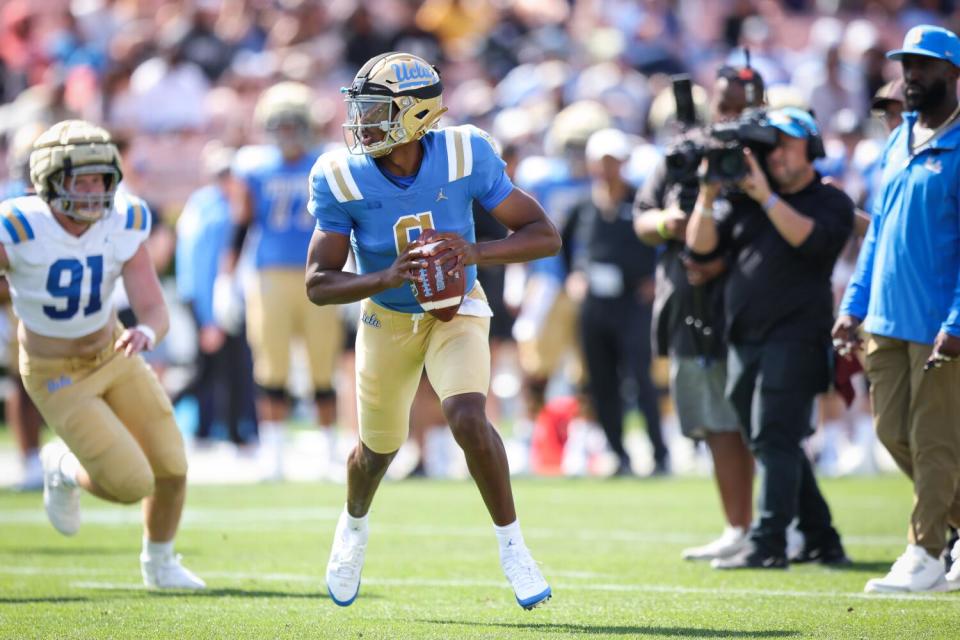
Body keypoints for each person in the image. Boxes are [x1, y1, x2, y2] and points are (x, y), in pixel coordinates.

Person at [306, 52, 559, 609]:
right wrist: (385, 275)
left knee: (467, 416)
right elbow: (318, 283)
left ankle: (513, 545)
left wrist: (474, 251)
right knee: (376, 452)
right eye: (362, 110)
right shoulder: (340, 174)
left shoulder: (466, 151)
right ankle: (352, 527)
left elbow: (545, 234)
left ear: (415, 115)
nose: (362, 122)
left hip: (459, 304)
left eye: (375, 111)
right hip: (386, 315)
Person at [2, 120, 203, 588]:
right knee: (130, 483)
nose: (94, 191)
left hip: (112, 351)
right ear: (49, 182)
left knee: (172, 465)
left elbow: (152, 304)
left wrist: (148, 330)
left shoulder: (125, 219)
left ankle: (160, 562)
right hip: (55, 370)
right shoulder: (17, 226)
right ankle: (63, 466)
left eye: (101, 179)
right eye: (81, 180)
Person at [687, 107, 853, 570]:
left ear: (811, 146)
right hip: (744, 336)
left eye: (787, 144)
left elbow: (814, 243)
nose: (776, 155)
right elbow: (700, 249)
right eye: (771, 144)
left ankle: (769, 544)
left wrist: (765, 197)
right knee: (768, 441)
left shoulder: (828, 199)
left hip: (798, 335)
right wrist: (706, 194)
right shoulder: (746, 200)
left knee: (776, 436)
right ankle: (822, 537)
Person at [834, 25, 960, 594]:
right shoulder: (897, 138)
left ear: (953, 75)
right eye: (907, 64)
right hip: (884, 318)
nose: (911, 75)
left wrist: (957, 321)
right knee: (891, 434)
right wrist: (853, 304)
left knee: (935, 441)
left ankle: (926, 551)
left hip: (939, 323)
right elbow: (879, 231)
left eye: (925, 65)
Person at [634, 65, 760, 560]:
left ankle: (782, 523)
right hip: (687, 305)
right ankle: (738, 527)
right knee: (715, 423)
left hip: (745, 304)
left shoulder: (751, 157)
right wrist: (669, 222)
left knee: (763, 421)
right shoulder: (674, 162)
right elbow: (641, 219)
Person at [216, 81, 342, 480]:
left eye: (293, 124)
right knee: (272, 367)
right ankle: (273, 453)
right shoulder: (254, 167)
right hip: (270, 275)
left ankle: (328, 449)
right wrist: (226, 279)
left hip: (320, 272)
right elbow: (241, 224)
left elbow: (345, 225)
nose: (286, 133)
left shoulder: (327, 162)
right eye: (280, 125)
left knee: (324, 366)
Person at [567, 128, 666, 476]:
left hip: (633, 301)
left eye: (612, 161)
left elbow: (664, 239)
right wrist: (574, 275)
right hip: (595, 302)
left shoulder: (640, 200)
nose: (606, 169)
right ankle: (617, 452)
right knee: (601, 380)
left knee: (641, 377)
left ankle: (659, 453)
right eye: (600, 162)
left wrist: (657, 278)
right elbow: (563, 246)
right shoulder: (582, 205)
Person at [175, 142, 258, 448]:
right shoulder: (208, 208)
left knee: (231, 367)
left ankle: (229, 432)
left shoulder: (225, 205)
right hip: (207, 299)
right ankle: (172, 416)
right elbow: (201, 266)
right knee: (207, 370)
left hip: (224, 299)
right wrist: (209, 316)